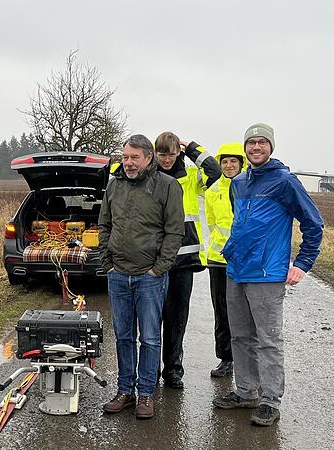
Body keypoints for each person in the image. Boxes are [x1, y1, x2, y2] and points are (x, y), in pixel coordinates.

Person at [212, 123, 324, 426]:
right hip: (236, 270)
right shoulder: (240, 182)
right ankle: (246, 391)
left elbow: (314, 223)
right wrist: (232, 250)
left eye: (262, 142)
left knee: (268, 340)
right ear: (245, 148)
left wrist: (302, 263)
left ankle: (270, 400)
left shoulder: (284, 181)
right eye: (251, 143)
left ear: (270, 147)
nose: (256, 148)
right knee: (240, 336)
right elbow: (241, 222)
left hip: (266, 273)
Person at [99, 134, 184, 419]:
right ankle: (126, 391)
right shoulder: (113, 186)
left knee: (149, 338)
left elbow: (175, 232)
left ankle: (146, 394)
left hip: (150, 277)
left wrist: (159, 268)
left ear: (149, 158)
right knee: (123, 336)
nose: (129, 163)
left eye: (135, 157)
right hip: (118, 274)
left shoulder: (168, 186)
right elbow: (104, 225)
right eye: (125, 157)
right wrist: (107, 262)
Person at [153, 132, 221, 389]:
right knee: (151, 320)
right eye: (162, 154)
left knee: (176, 318)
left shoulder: (192, 178)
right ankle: (151, 370)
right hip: (154, 260)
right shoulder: (150, 177)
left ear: (178, 153)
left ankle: (173, 370)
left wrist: (193, 147)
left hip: (184, 261)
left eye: (171, 153)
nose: (167, 159)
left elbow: (214, 173)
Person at [204, 143, 247, 378]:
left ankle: (249, 360)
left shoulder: (250, 188)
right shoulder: (213, 192)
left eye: (234, 161)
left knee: (246, 312)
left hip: (245, 260)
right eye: (225, 161)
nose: (229, 165)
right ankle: (226, 358)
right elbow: (212, 224)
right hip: (219, 260)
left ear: (242, 163)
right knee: (222, 311)